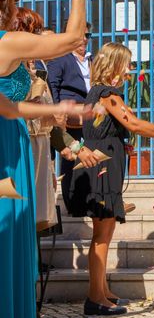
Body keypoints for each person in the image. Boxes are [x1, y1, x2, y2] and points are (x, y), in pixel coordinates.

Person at [0, 0, 93, 318]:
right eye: (15, 0)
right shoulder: (7, 43)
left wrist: (55, 107)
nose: (19, 7)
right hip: (8, 153)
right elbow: (72, 39)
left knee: (11, 249)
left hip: (12, 140)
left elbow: (4, 107)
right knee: (7, 248)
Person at [67, 42, 154, 315]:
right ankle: (95, 298)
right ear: (113, 65)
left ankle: (103, 291)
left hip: (105, 166)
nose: (130, 69)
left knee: (106, 232)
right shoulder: (108, 95)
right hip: (101, 170)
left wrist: (120, 142)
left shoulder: (97, 93)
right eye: (126, 63)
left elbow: (108, 128)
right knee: (101, 235)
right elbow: (133, 123)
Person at [47, 21, 93, 208]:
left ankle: (89, 199)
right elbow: (53, 87)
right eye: (80, 35)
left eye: (87, 36)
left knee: (89, 159)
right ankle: (72, 202)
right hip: (70, 118)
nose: (83, 39)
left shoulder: (92, 60)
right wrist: (58, 114)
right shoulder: (61, 59)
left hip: (90, 119)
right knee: (71, 160)